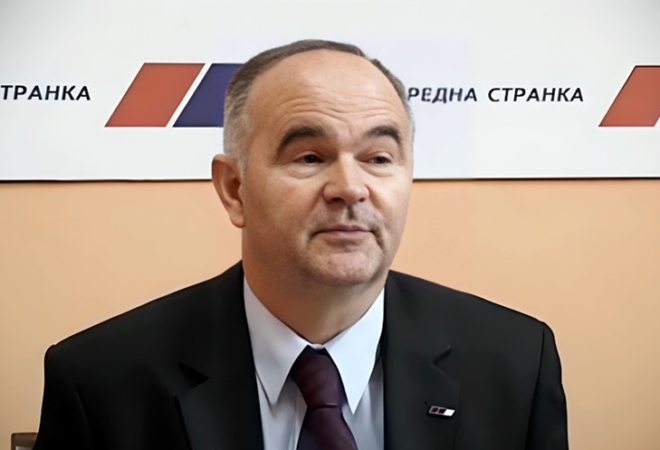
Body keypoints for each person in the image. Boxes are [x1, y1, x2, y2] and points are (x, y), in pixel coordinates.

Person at [32, 39, 568, 450]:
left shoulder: (515, 363)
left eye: (379, 158)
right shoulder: (101, 380)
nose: (350, 188)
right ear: (234, 189)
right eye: (309, 157)